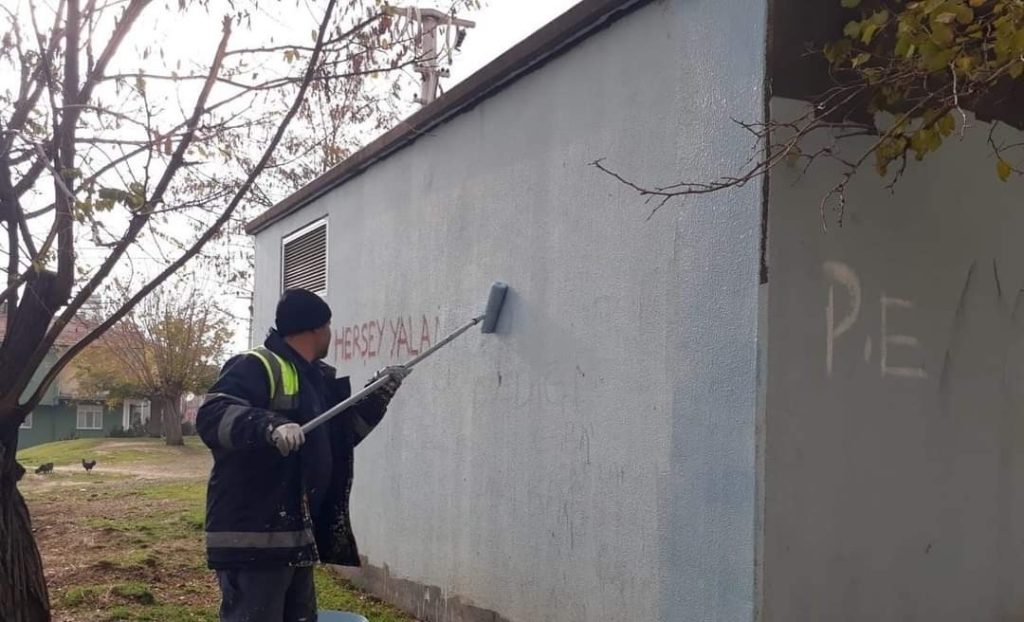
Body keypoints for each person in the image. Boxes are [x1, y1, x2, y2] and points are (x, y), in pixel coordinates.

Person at [196, 288, 409, 621]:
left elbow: (339, 439)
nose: (330, 334)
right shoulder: (256, 365)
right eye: (328, 326)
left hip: (293, 540)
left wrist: (378, 396)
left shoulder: (315, 379)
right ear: (314, 329)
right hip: (254, 542)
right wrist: (271, 426)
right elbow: (212, 416)